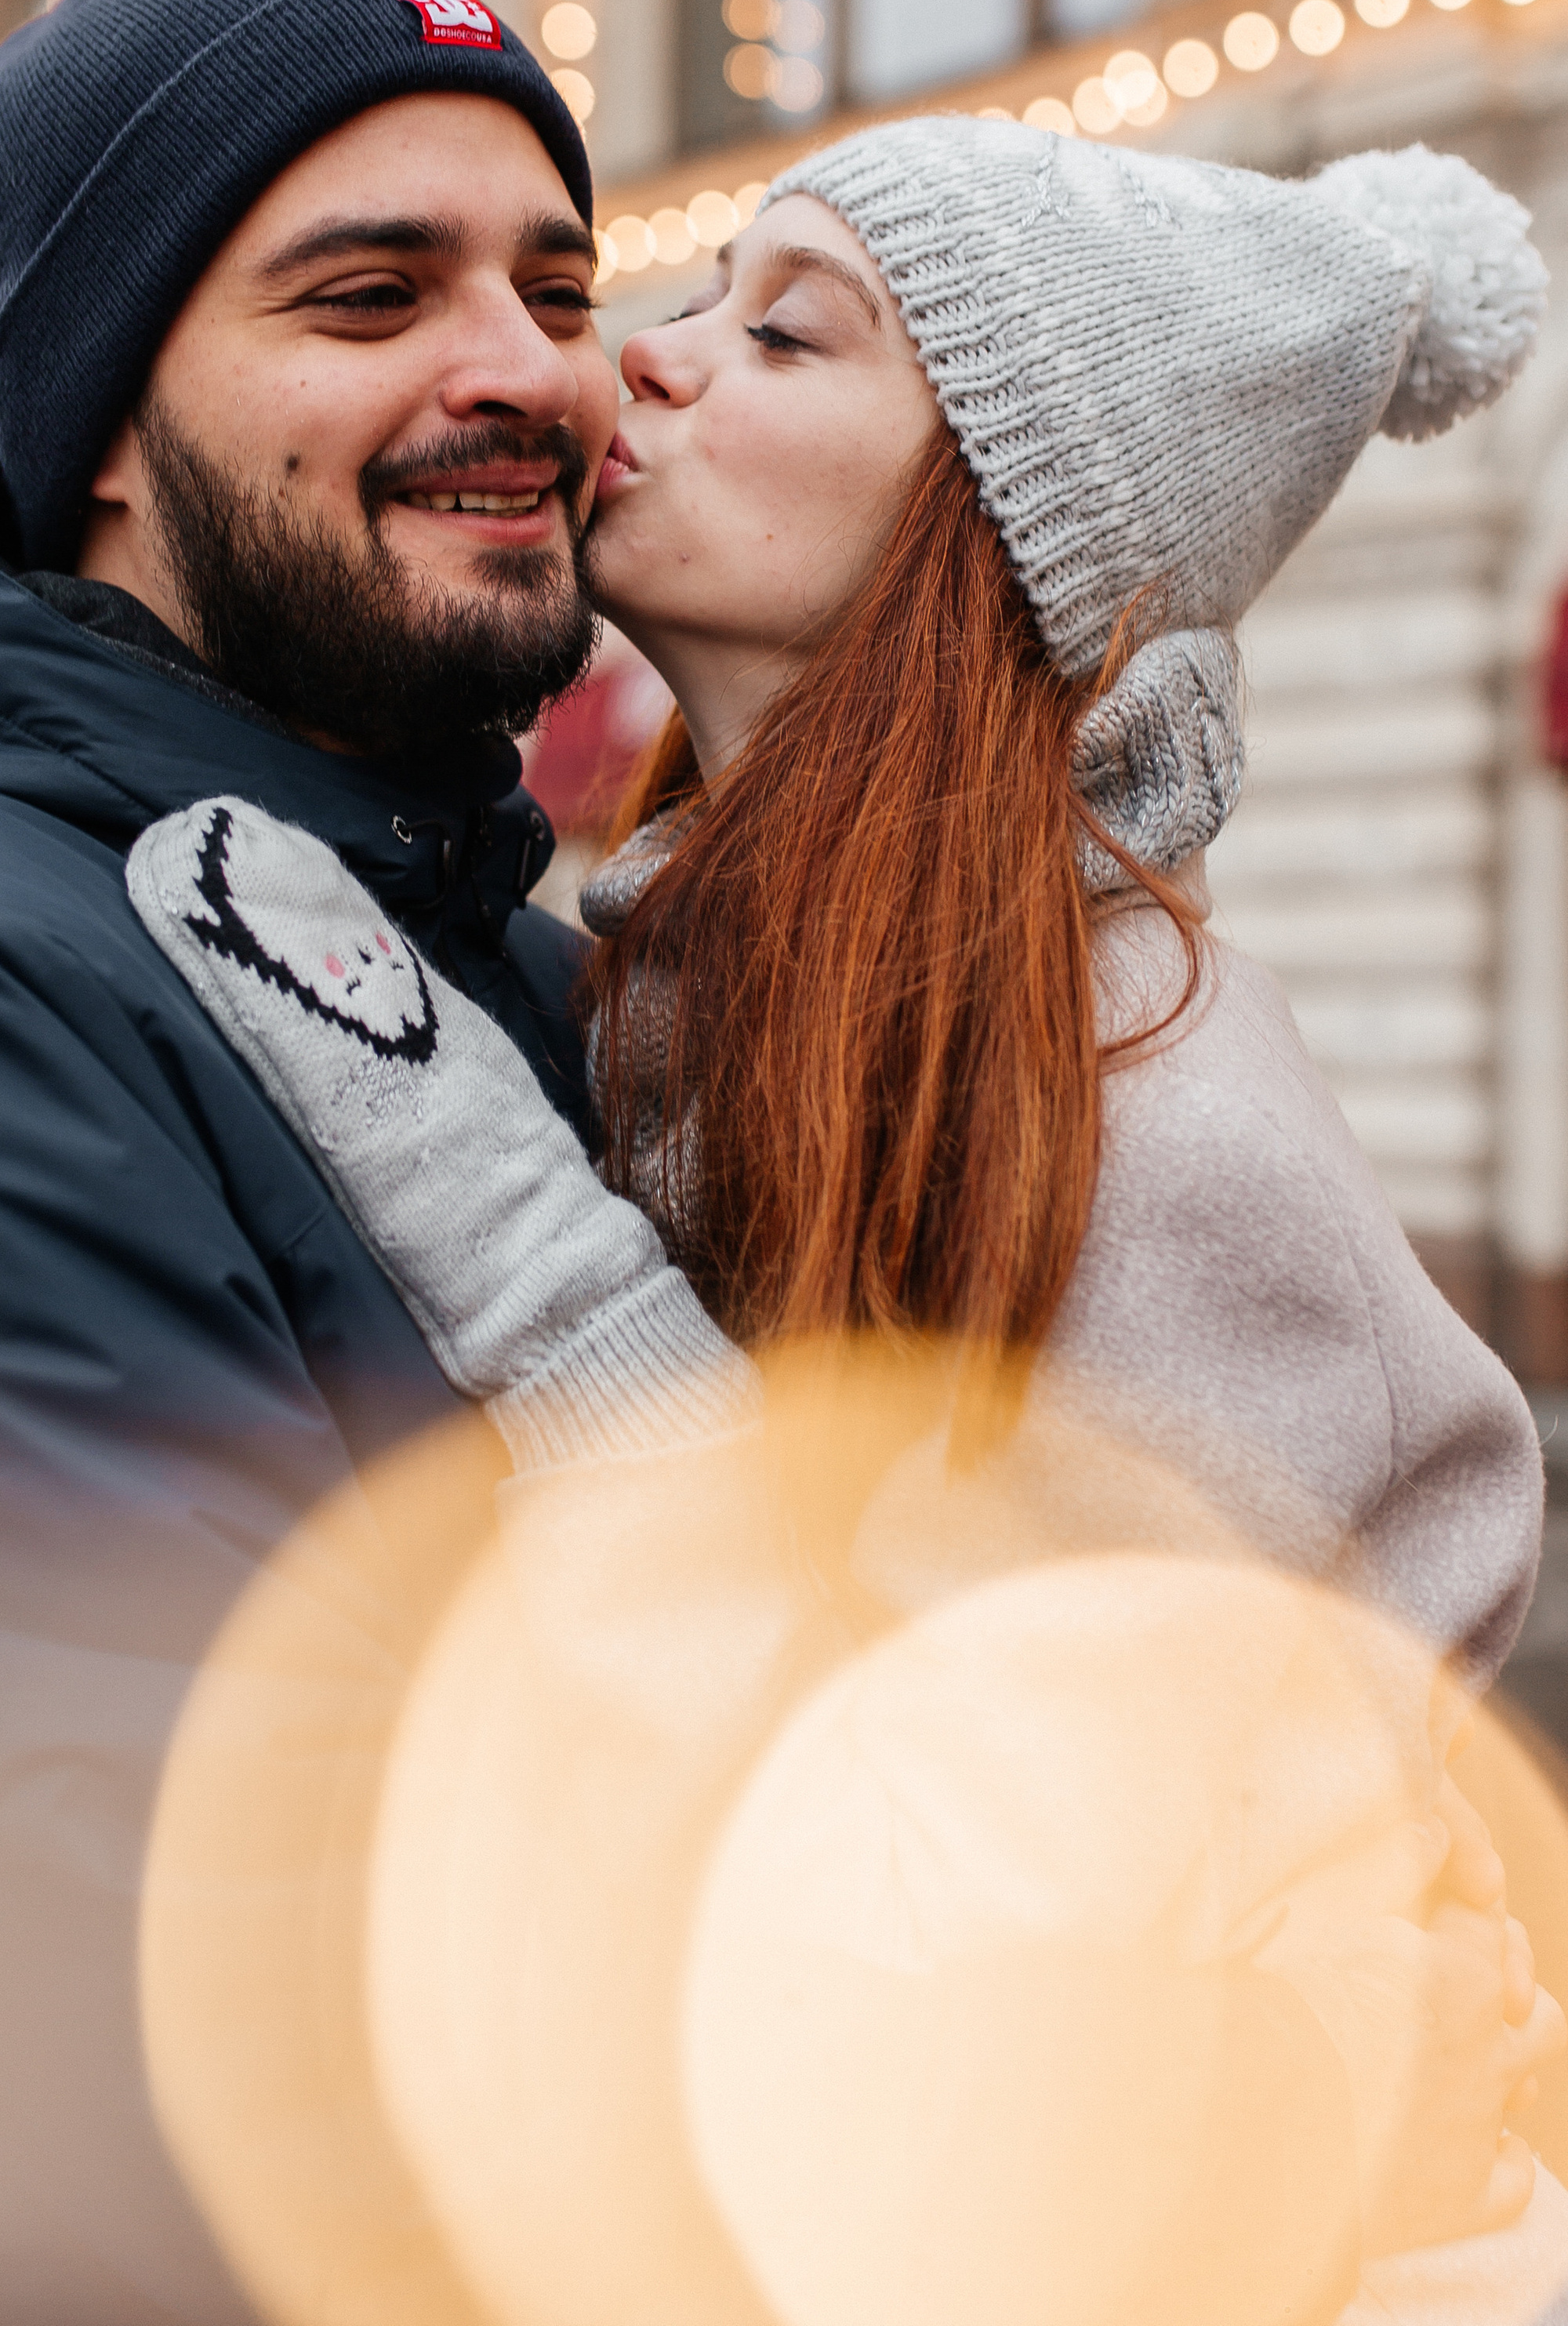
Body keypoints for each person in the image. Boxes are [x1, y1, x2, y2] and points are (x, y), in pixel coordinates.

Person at [129, 113, 1568, 2317]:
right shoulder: (714, 992)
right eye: (694, 301)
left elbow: (976, 1932)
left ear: (993, 538)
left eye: (791, 336)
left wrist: (547, 1285)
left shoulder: (1150, 1119)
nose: (654, 365)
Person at [0, 0, 742, 2326]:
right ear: (104, 417)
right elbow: (193, 1933)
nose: (523, 368)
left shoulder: (476, 954)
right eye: (365, 295)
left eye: (553, 283)